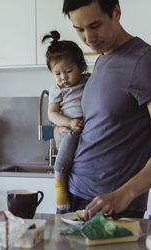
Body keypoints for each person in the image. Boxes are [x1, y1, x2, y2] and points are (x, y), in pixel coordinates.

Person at [61, 0, 151, 220]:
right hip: (76, 193)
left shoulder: (147, 62)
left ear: (116, 12)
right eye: (79, 30)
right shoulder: (102, 60)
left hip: (112, 204)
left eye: (95, 25)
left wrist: (124, 194)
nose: (88, 39)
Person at [41, 30, 90, 214]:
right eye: (57, 73)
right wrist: (69, 123)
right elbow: (52, 114)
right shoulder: (57, 90)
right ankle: (60, 184)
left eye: (69, 71)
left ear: (81, 66)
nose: (63, 77)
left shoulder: (89, 81)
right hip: (70, 129)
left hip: (88, 129)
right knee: (67, 143)